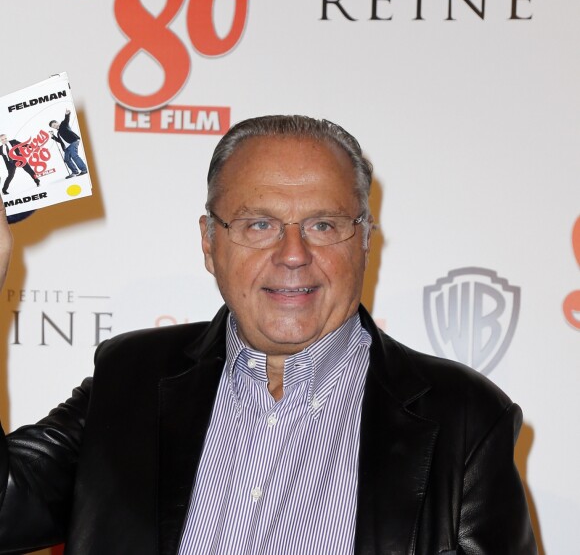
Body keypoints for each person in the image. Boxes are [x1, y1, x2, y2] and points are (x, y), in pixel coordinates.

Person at [0, 115, 537, 554]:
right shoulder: (130, 377)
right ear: (210, 243)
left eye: (324, 225)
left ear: (365, 242)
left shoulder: (466, 420)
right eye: (259, 224)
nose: (294, 254)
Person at [48, 110, 88, 176]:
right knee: (66, 159)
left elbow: (66, 119)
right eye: (53, 127)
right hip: (67, 147)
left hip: (73, 142)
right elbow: (60, 141)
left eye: (54, 125)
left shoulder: (63, 124)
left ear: (57, 122)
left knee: (74, 156)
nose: (54, 127)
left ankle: (84, 169)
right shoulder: (58, 133)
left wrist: (67, 114)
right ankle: (75, 172)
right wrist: (53, 136)